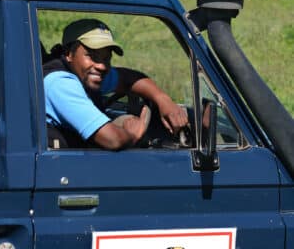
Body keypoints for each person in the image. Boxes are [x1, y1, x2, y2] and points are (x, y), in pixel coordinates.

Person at [43, 18, 189, 150]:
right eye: (92, 56)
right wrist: (133, 134)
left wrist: (162, 99)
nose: (102, 66)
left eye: (106, 58)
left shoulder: (86, 73)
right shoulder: (60, 83)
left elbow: (130, 78)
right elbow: (113, 140)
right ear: (69, 53)